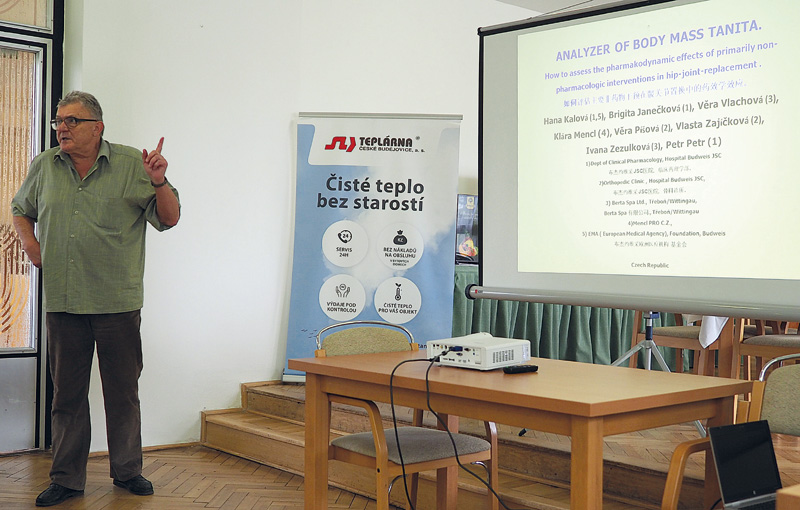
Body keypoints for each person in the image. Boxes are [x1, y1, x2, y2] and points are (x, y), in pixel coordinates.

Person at [11, 91, 181, 507]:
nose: (62, 128)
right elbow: (20, 208)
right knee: (66, 396)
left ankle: (128, 471)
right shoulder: (45, 165)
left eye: (71, 121)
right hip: (64, 300)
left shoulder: (133, 164)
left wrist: (158, 181)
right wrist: (31, 245)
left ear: (97, 127)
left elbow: (170, 218)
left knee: (122, 393)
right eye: (59, 121)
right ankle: (67, 479)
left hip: (116, 302)